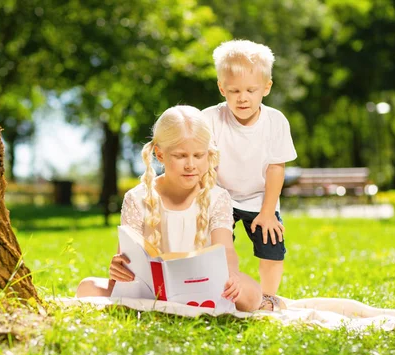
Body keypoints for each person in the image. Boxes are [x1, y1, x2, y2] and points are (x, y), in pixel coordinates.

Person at [76, 105, 262, 312]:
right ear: (160, 154)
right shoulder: (136, 198)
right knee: (87, 287)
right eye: (181, 156)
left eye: (199, 155)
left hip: (204, 287)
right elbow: (126, 259)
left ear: (208, 154)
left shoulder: (217, 198)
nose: (191, 165)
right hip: (150, 290)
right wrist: (117, 268)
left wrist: (232, 276)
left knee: (252, 293)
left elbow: (225, 249)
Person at [201, 39, 297, 311]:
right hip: (220, 197)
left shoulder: (276, 121)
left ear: (266, 87)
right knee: (214, 247)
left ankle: (267, 296)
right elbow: (204, 164)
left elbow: (276, 168)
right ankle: (218, 289)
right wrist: (207, 201)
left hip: (260, 199)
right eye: (234, 90)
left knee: (272, 246)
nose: (243, 97)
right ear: (222, 88)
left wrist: (267, 212)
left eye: (251, 90)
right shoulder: (209, 119)